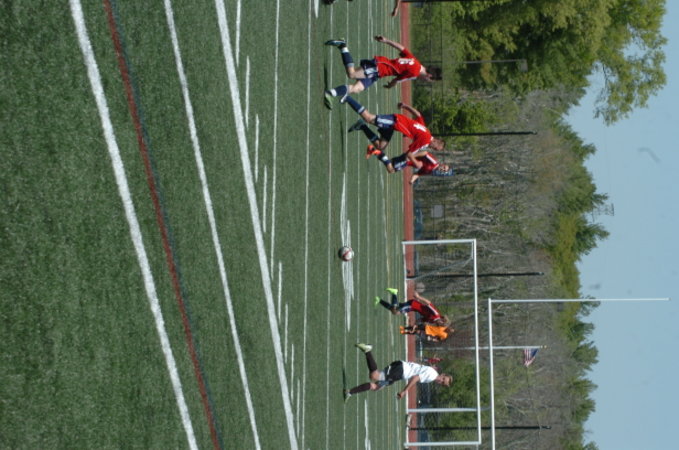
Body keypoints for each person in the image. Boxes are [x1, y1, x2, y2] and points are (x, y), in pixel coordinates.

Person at [323, 35, 437, 108]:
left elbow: (401, 48)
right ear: (429, 75)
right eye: (429, 80)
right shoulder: (415, 73)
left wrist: (386, 40)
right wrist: (390, 86)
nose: (426, 81)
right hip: (379, 68)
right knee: (352, 74)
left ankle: (330, 93)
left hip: (378, 71)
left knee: (357, 89)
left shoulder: (415, 61)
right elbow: (397, 80)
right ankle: (342, 45)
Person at [345, 99, 445, 169]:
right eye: (436, 148)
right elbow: (409, 154)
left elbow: (418, 115)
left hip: (395, 125)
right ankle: (348, 98)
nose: (433, 149)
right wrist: (416, 163)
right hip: (396, 121)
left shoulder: (427, 132)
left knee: (381, 146)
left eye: (435, 150)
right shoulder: (425, 141)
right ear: (436, 141)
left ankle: (362, 126)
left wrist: (405, 106)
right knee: (369, 118)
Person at [344, 343, 452, 401]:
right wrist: (405, 391)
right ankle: (368, 351)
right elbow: (415, 378)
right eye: (443, 379)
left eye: (443, 383)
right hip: (400, 371)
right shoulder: (432, 375)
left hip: (400, 370)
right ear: (442, 374)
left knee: (377, 387)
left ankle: (349, 392)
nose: (441, 381)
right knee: (374, 376)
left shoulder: (433, 375)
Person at [366, 146, 454, 184]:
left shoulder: (431, 171)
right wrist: (412, 156)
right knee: (391, 170)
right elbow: (425, 153)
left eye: (444, 170)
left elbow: (418, 174)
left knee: (390, 162)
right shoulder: (434, 162)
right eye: (444, 167)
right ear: (443, 164)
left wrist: (412, 181)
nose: (442, 169)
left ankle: (374, 151)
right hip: (407, 160)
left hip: (407, 161)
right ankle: (375, 151)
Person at [375, 289, 448, 325]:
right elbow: (429, 303)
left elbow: (422, 319)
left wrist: (415, 324)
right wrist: (418, 297)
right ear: (442, 319)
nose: (440, 324)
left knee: (393, 309)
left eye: (441, 325)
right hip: (413, 305)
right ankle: (394, 292)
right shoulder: (436, 314)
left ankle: (379, 300)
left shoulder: (433, 321)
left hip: (412, 308)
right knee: (395, 312)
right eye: (441, 323)